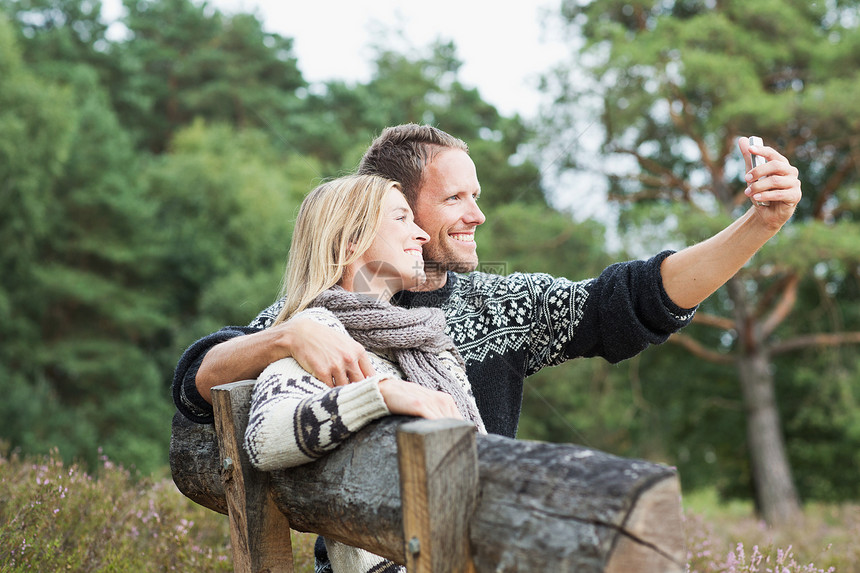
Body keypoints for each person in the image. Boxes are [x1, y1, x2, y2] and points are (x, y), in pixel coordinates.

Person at [173, 124, 802, 440]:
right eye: (455, 198)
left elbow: (632, 301)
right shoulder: (317, 315)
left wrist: (758, 226)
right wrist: (287, 337)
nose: (477, 215)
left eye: (478, 195)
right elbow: (198, 384)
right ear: (391, 207)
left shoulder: (499, 304)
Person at [243, 173, 485, 573]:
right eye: (401, 219)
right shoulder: (319, 334)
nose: (422, 235)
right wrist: (382, 393)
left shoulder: (426, 344)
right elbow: (262, 438)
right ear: (350, 240)